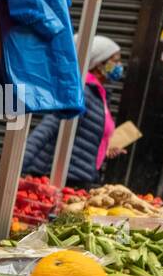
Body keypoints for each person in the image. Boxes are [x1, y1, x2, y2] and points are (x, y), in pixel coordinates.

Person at [21, 34, 126, 188]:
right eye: (115, 60)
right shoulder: (81, 92)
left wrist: (104, 148)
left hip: (78, 178)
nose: (119, 66)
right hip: (59, 179)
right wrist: (18, 168)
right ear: (98, 63)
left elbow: (83, 137)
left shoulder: (98, 95)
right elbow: (48, 128)